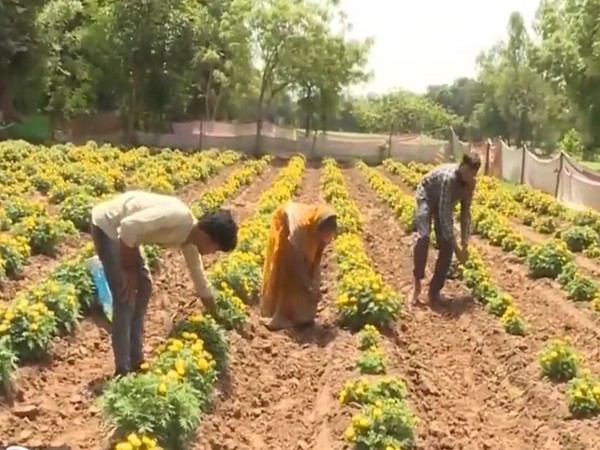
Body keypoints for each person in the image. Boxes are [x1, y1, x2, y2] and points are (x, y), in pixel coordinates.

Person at [90, 191, 238, 376]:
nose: (213, 253)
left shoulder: (190, 240)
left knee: (144, 286)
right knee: (125, 296)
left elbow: (199, 280)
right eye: (216, 248)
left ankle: (136, 359)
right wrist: (128, 270)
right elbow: (127, 227)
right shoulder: (179, 218)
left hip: (129, 236)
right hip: (108, 227)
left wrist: (216, 315)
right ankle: (122, 369)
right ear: (208, 238)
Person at [411, 153, 481, 307]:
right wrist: (457, 248)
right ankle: (417, 281)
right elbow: (444, 214)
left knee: (447, 247)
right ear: (462, 166)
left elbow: (465, 213)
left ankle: (434, 292)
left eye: (473, 174)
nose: (470, 176)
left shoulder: (470, 184)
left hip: (444, 203)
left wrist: (465, 244)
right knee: (423, 237)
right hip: (427, 196)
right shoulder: (449, 179)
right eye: (468, 171)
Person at [260, 202, 337, 331]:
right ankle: (277, 315)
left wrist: (315, 284)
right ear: (318, 229)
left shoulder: (321, 232)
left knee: (307, 271)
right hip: (284, 226)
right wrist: (308, 285)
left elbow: (317, 260)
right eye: (322, 236)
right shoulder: (300, 227)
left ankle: (301, 315)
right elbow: (294, 260)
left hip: (305, 235)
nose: (324, 240)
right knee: (286, 271)